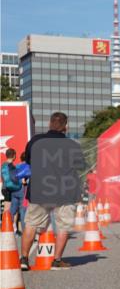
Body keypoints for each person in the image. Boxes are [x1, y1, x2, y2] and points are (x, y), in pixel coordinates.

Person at [19, 112, 86, 270]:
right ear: (65, 127)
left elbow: (28, 160)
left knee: (31, 224)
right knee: (63, 226)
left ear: (49, 124)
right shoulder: (72, 145)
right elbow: (81, 166)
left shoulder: (36, 141)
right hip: (65, 191)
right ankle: (56, 261)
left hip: (39, 190)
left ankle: (24, 259)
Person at [2, 148, 25, 235]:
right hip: (11, 189)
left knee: (12, 209)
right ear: (14, 156)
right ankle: (7, 228)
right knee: (8, 210)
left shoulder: (3, 165)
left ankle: (13, 228)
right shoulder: (12, 166)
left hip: (5, 188)